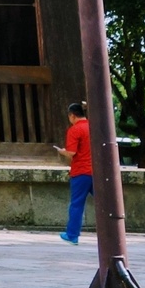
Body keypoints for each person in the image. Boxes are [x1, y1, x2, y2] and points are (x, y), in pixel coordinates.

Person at [56, 101, 92, 245]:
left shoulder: (75, 130)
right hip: (96, 172)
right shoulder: (92, 126)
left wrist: (61, 151)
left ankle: (72, 235)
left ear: (72, 115)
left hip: (81, 171)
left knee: (77, 204)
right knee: (104, 203)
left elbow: (72, 152)